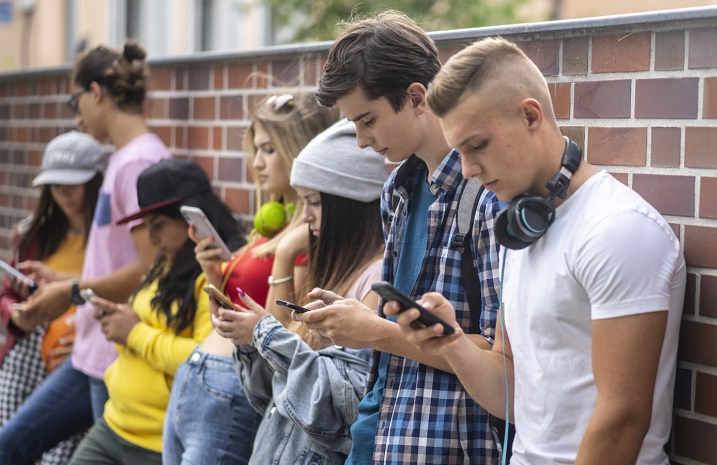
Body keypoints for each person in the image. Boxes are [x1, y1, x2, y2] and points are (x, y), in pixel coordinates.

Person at [393, 37, 687, 465]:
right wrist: (452, 343)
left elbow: (622, 417)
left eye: (477, 145)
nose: (469, 169)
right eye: (459, 151)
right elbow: (512, 393)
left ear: (530, 116)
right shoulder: (520, 230)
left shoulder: (617, 229)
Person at [299, 10, 504, 464]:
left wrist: (373, 331)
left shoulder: (489, 195)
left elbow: (499, 359)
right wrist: (360, 318)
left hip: (447, 444)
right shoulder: (398, 189)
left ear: (416, 97)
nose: (360, 140)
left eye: (367, 120)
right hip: (379, 435)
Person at [0, 40, 171, 465]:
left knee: (10, 447)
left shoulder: (137, 164)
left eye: (76, 101)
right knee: (7, 446)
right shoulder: (124, 159)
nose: (77, 115)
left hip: (115, 352)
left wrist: (70, 291)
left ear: (96, 93)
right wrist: (59, 281)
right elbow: (118, 256)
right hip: (92, 350)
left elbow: (150, 266)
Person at [162, 92, 338, 465]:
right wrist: (214, 270)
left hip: (232, 385)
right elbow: (245, 307)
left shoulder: (306, 235)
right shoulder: (272, 224)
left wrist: (285, 255)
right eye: (255, 149)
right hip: (200, 375)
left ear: (298, 149)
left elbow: (287, 329)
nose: (257, 163)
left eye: (269, 150)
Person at [210, 118, 388, 465]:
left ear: (349, 204)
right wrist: (251, 339)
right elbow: (275, 394)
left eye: (314, 202)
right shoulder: (334, 266)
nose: (304, 216)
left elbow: (339, 407)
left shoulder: (377, 277)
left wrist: (265, 332)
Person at [64, 159, 246, 465]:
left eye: (158, 225)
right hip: (114, 424)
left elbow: (206, 361)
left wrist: (134, 332)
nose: (151, 239)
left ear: (191, 218)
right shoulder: (166, 264)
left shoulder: (214, 276)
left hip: (159, 441)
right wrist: (120, 321)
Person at [0, 131, 105, 465]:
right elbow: (6, 294)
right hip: (27, 352)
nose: (64, 194)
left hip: (76, 355)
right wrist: (16, 314)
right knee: (5, 445)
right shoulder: (35, 233)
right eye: (56, 186)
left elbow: (118, 291)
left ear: (95, 183)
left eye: (73, 184)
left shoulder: (109, 239)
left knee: (62, 457)